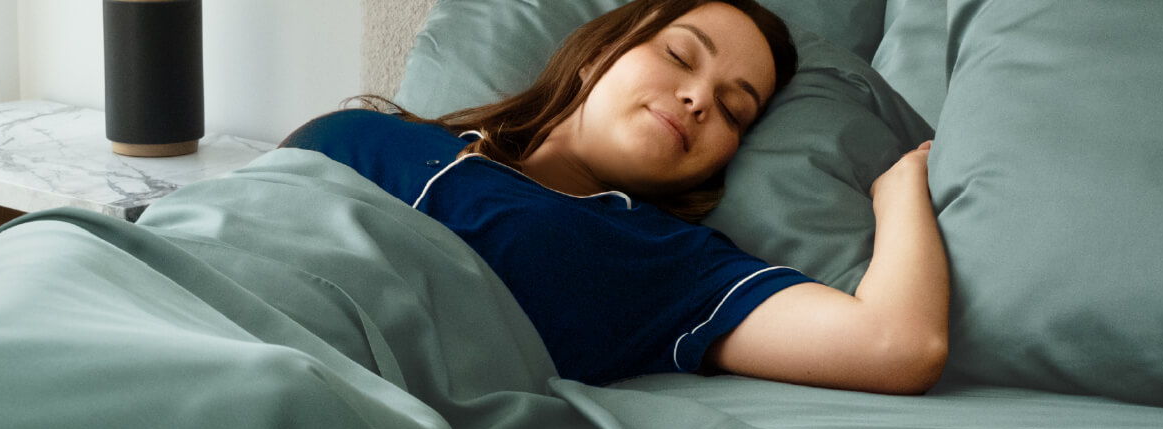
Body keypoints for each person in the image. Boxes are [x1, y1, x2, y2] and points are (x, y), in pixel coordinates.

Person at [281, 0, 948, 394]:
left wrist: (900, 187)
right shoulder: (362, 132)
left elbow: (898, 345)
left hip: (316, 388)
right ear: (599, 54)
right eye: (680, 57)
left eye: (733, 111)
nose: (698, 98)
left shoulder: (661, 259)